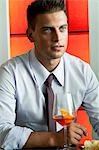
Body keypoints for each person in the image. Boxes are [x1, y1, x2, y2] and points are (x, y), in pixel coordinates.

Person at [0, 0, 99, 149]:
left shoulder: (82, 71)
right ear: (30, 34)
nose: (58, 38)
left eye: (62, 28)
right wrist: (54, 139)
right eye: (47, 30)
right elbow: (2, 132)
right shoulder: (10, 73)